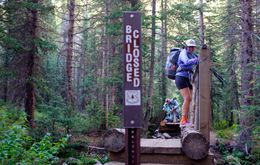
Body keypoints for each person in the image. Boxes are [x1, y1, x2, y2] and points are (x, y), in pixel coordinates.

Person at [175, 39, 199, 126]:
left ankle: (187, 120)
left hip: (188, 78)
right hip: (180, 77)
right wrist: (197, 59)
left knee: (190, 99)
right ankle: (183, 120)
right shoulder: (183, 53)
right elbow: (186, 61)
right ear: (186, 47)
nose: (191, 48)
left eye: (193, 47)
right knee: (187, 98)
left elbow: (195, 62)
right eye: (190, 47)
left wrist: (198, 59)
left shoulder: (192, 55)